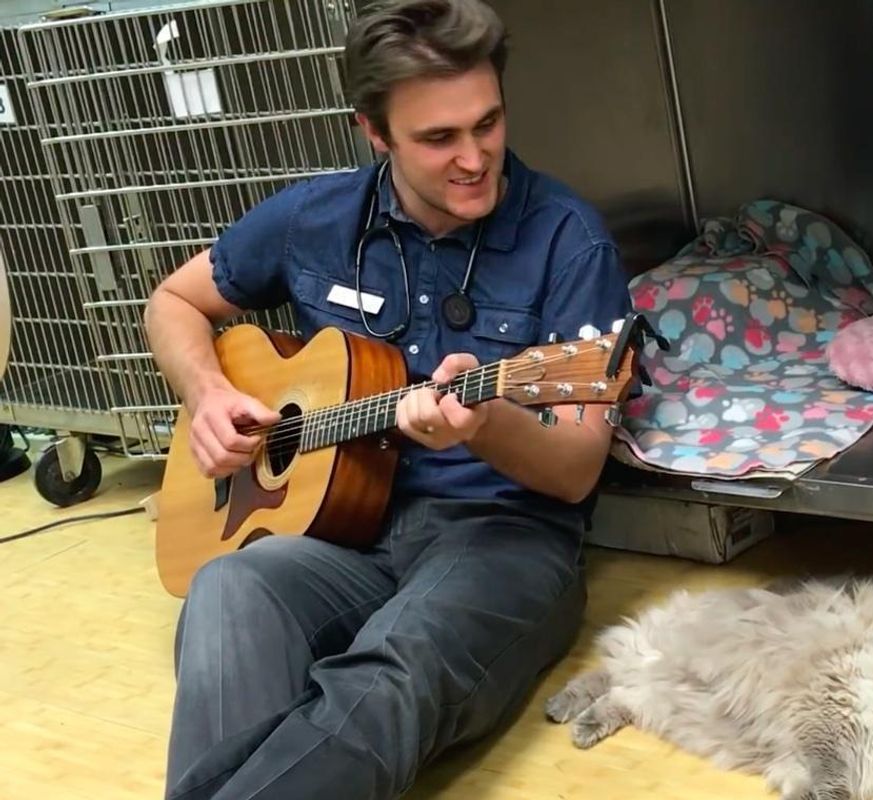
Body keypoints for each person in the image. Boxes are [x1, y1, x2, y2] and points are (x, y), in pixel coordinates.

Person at [144, 1, 634, 797]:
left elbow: (577, 470)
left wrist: (482, 429)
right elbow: (173, 302)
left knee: (386, 675)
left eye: (488, 123)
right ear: (374, 132)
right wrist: (206, 396)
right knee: (228, 589)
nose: (475, 158)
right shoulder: (315, 216)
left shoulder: (568, 241)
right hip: (337, 533)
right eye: (438, 138)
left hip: (500, 539)